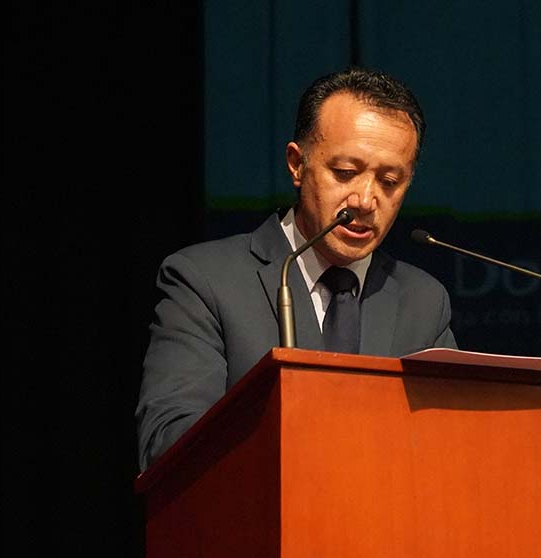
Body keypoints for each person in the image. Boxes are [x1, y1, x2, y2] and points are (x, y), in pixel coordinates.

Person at [136, 67, 457, 470]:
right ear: (297, 164)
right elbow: (168, 443)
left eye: (390, 180)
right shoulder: (206, 281)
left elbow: (450, 451)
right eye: (344, 173)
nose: (365, 199)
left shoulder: (423, 302)